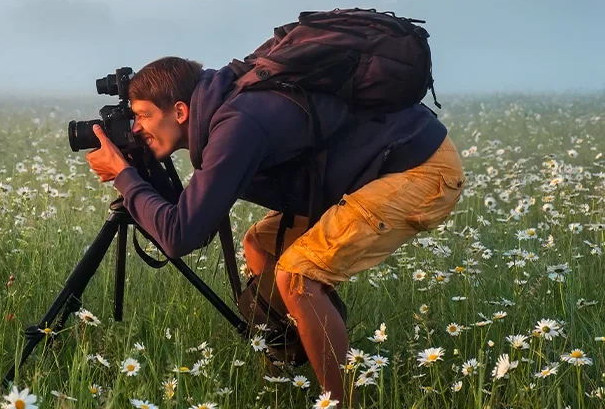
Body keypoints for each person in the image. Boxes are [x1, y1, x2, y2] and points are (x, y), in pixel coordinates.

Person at [85, 56, 464, 406]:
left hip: (418, 169)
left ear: (180, 111)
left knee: (298, 275)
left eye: (143, 117)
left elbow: (180, 235)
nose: (135, 129)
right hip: (373, 168)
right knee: (260, 246)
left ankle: (339, 401)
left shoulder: (236, 125)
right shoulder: (224, 110)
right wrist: (138, 173)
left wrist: (124, 178)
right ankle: (284, 373)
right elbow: (191, 224)